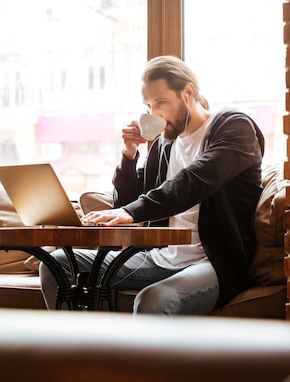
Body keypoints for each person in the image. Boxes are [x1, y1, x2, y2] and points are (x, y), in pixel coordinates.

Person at [39, 55, 265, 315]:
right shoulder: (164, 145)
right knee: (56, 265)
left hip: (212, 263)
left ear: (187, 93)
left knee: (154, 300)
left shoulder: (234, 127)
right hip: (159, 258)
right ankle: (78, 353)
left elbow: (196, 179)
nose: (154, 113)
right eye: (148, 105)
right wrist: (129, 154)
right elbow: (128, 203)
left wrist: (132, 211)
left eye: (161, 102)